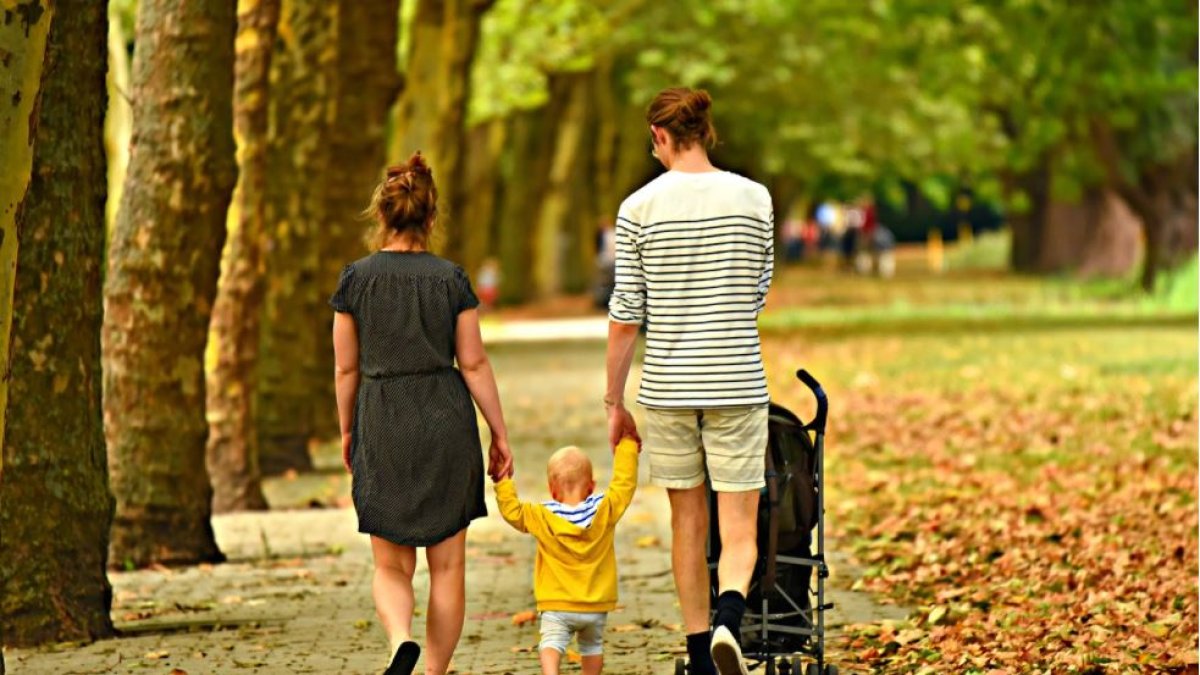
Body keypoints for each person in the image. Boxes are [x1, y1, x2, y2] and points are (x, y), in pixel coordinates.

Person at [605, 87, 774, 675]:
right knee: (739, 523)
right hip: (737, 383)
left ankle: (700, 651)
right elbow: (758, 290)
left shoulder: (638, 209)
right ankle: (731, 618)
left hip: (670, 388)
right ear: (707, 131)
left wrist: (613, 400)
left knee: (686, 521)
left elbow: (627, 313)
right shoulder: (754, 198)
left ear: (660, 137)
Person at [330, 152, 513, 675]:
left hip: (383, 415)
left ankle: (398, 641)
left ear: (380, 215)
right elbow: (473, 363)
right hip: (445, 418)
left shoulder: (355, 281)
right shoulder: (451, 280)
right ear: (431, 217)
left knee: (391, 565)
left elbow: (347, 370)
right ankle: (433, 671)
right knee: (448, 566)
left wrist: (348, 429)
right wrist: (499, 433)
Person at [493, 438, 640, 675]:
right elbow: (625, 485)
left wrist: (503, 481)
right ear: (591, 487)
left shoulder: (541, 515)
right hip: (595, 604)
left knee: (551, 642)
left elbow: (513, 512)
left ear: (552, 490)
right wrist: (627, 447)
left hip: (557, 604)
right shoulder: (605, 509)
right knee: (592, 646)